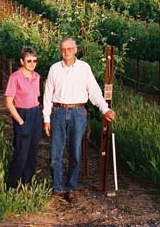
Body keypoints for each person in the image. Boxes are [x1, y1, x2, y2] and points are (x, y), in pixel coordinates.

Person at [42, 37, 115, 203]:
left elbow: (94, 92)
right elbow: (47, 95)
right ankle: (57, 187)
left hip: (78, 113)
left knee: (75, 153)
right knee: (55, 153)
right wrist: (46, 118)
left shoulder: (84, 68)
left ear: (75, 50)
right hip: (58, 111)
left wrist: (105, 109)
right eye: (63, 49)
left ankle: (71, 188)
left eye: (69, 49)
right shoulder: (54, 69)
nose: (66, 52)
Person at [5, 46, 43, 188]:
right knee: (21, 154)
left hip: (35, 114)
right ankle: (12, 186)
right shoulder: (15, 77)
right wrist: (20, 121)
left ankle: (27, 184)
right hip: (22, 115)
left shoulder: (37, 77)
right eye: (29, 61)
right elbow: (9, 103)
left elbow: (36, 98)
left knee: (32, 154)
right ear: (22, 61)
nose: (32, 63)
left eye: (34, 61)